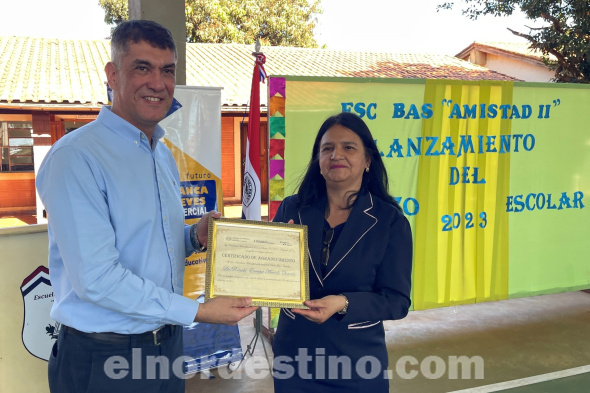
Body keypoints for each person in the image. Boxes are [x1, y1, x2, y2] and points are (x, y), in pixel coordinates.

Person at [36, 20, 257, 393]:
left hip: (166, 347)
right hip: (103, 359)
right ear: (112, 74)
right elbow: (98, 280)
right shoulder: (77, 157)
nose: (158, 83)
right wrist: (200, 311)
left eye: (167, 71)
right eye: (142, 67)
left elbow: (153, 246)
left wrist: (195, 236)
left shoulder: (161, 154)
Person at [271, 112, 413, 392]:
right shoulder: (291, 209)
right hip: (293, 361)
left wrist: (344, 302)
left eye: (349, 147)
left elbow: (396, 301)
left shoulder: (390, 222)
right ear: (318, 161)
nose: (337, 155)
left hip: (356, 366)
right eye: (327, 148)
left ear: (368, 160)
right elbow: (271, 277)